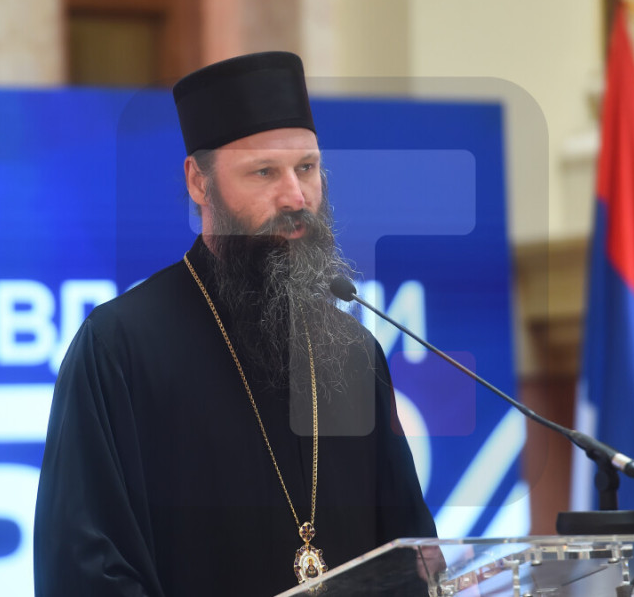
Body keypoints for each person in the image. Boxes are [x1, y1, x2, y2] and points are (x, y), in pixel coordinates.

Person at [33, 51, 436, 597]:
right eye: (264, 172)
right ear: (199, 183)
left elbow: (413, 557)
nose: (295, 197)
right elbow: (86, 573)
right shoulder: (120, 348)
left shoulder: (353, 352)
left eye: (307, 168)